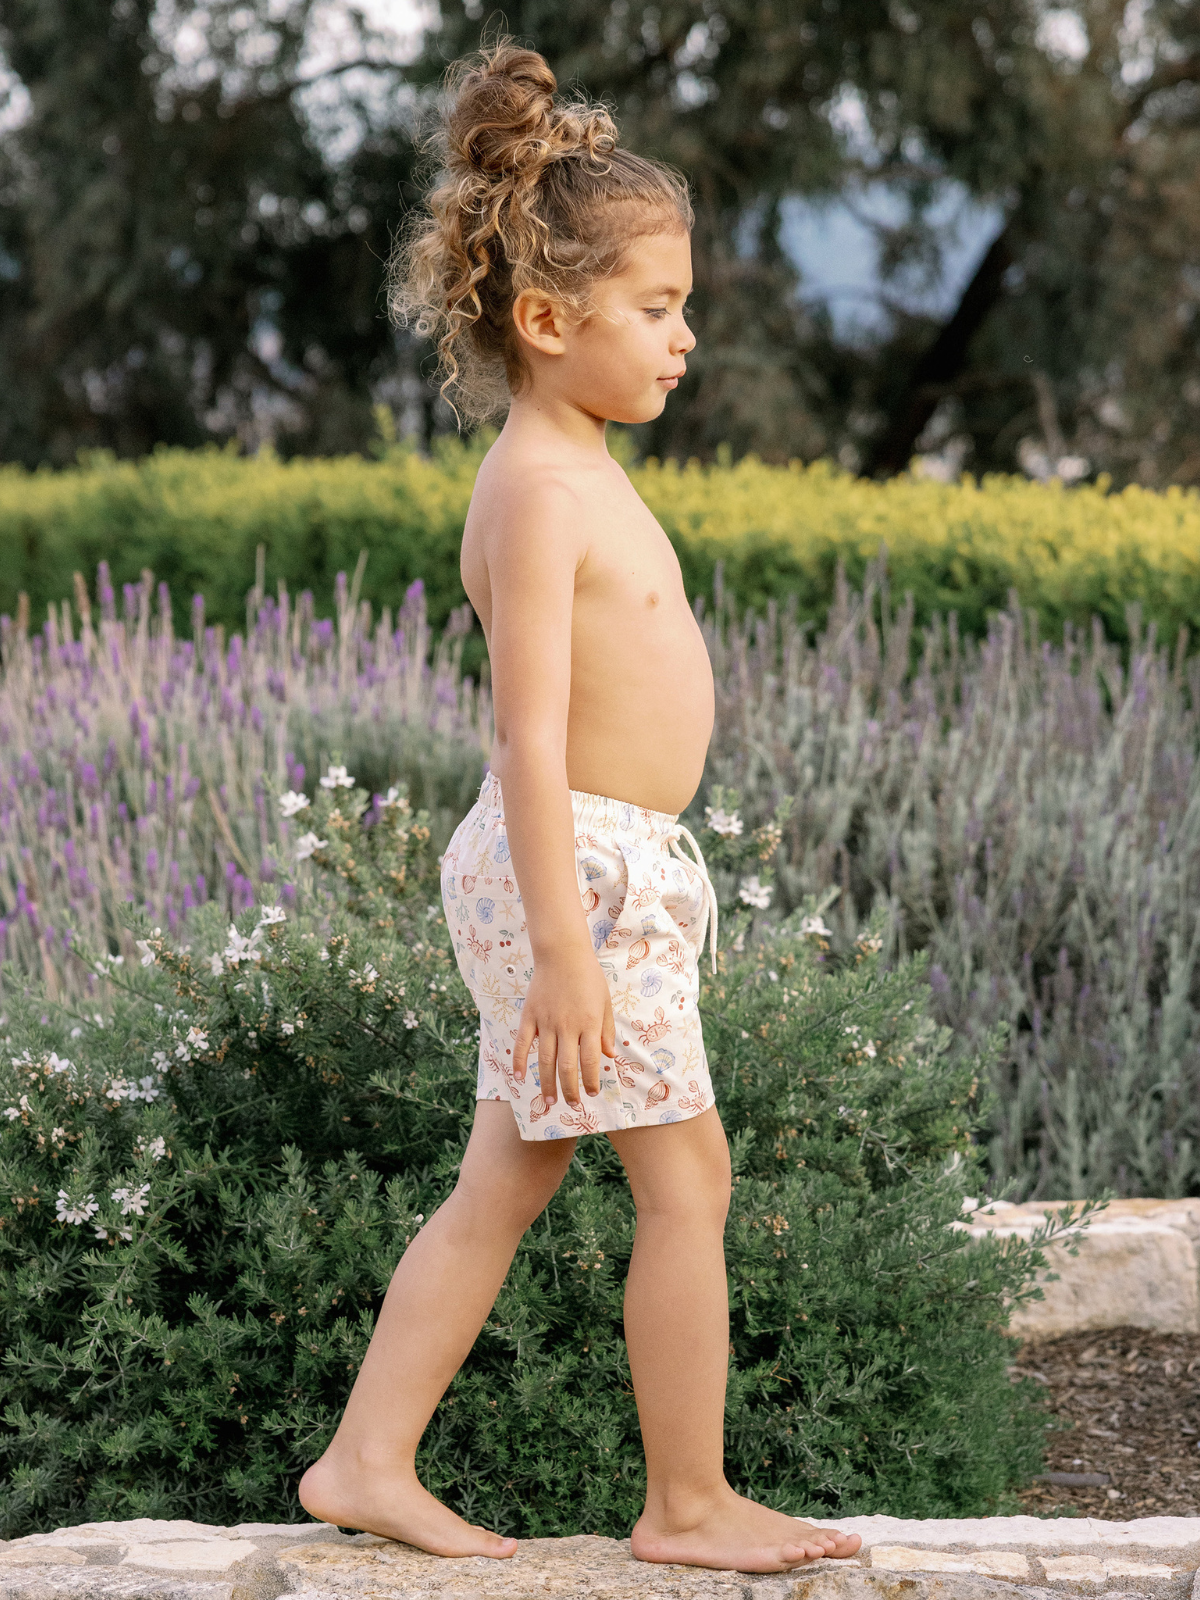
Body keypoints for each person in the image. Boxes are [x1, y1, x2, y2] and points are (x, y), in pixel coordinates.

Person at [298, 41, 862, 1576]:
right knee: (688, 1182)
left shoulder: (573, 464)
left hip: (603, 868)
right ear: (549, 322)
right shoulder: (541, 488)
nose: (686, 337)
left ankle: (366, 1457)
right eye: (657, 308)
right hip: (581, 876)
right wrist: (565, 946)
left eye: (686, 307)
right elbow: (528, 735)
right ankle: (687, 1505)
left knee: (509, 1175)